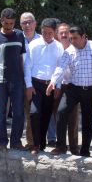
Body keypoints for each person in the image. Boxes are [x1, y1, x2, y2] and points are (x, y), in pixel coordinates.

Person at [47, 26, 92, 157]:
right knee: (61, 112)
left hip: (91, 90)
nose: (72, 41)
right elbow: (60, 68)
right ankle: (60, 146)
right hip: (74, 88)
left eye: (75, 38)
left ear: (84, 37)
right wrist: (53, 82)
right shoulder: (69, 51)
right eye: (70, 38)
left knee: (87, 122)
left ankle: (84, 151)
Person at [0, 8, 26, 151]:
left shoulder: (20, 35)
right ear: (1, 20)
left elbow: (22, 59)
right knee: (0, 112)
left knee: (19, 112)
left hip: (18, 81)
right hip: (0, 81)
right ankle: (2, 142)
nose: (9, 26)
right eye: (7, 23)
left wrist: (25, 80)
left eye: (12, 23)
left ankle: (16, 142)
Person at [24, 18, 64, 154]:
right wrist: (29, 85)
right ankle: (35, 145)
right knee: (34, 113)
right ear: (41, 30)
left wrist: (57, 85)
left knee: (46, 115)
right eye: (44, 32)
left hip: (50, 85)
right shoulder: (34, 45)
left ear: (55, 32)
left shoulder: (58, 47)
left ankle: (41, 144)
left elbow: (60, 67)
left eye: (50, 33)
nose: (47, 35)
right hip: (35, 83)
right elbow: (27, 66)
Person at [55, 22, 79, 154]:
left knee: (73, 119)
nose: (64, 35)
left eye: (66, 32)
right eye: (61, 32)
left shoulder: (75, 48)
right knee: (59, 116)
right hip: (58, 86)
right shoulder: (55, 48)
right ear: (57, 34)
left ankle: (74, 147)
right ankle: (61, 146)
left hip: (72, 86)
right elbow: (56, 70)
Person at [20, 12, 41, 150]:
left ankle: (33, 142)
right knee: (18, 113)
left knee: (33, 113)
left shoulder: (42, 39)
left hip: (34, 82)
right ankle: (19, 141)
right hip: (16, 80)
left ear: (35, 23)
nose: (27, 25)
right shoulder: (16, 37)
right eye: (24, 23)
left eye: (29, 22)